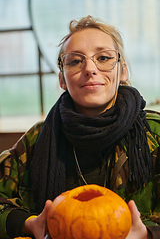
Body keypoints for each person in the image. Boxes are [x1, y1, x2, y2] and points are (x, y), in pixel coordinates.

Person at [0, 15, 160, 239]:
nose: (90, 68)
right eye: (75, 61)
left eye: (103, 57)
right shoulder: (37, 139)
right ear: (62, 79)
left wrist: (148, 235)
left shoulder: (155, 133)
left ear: (122, 71)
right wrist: (28, 224)